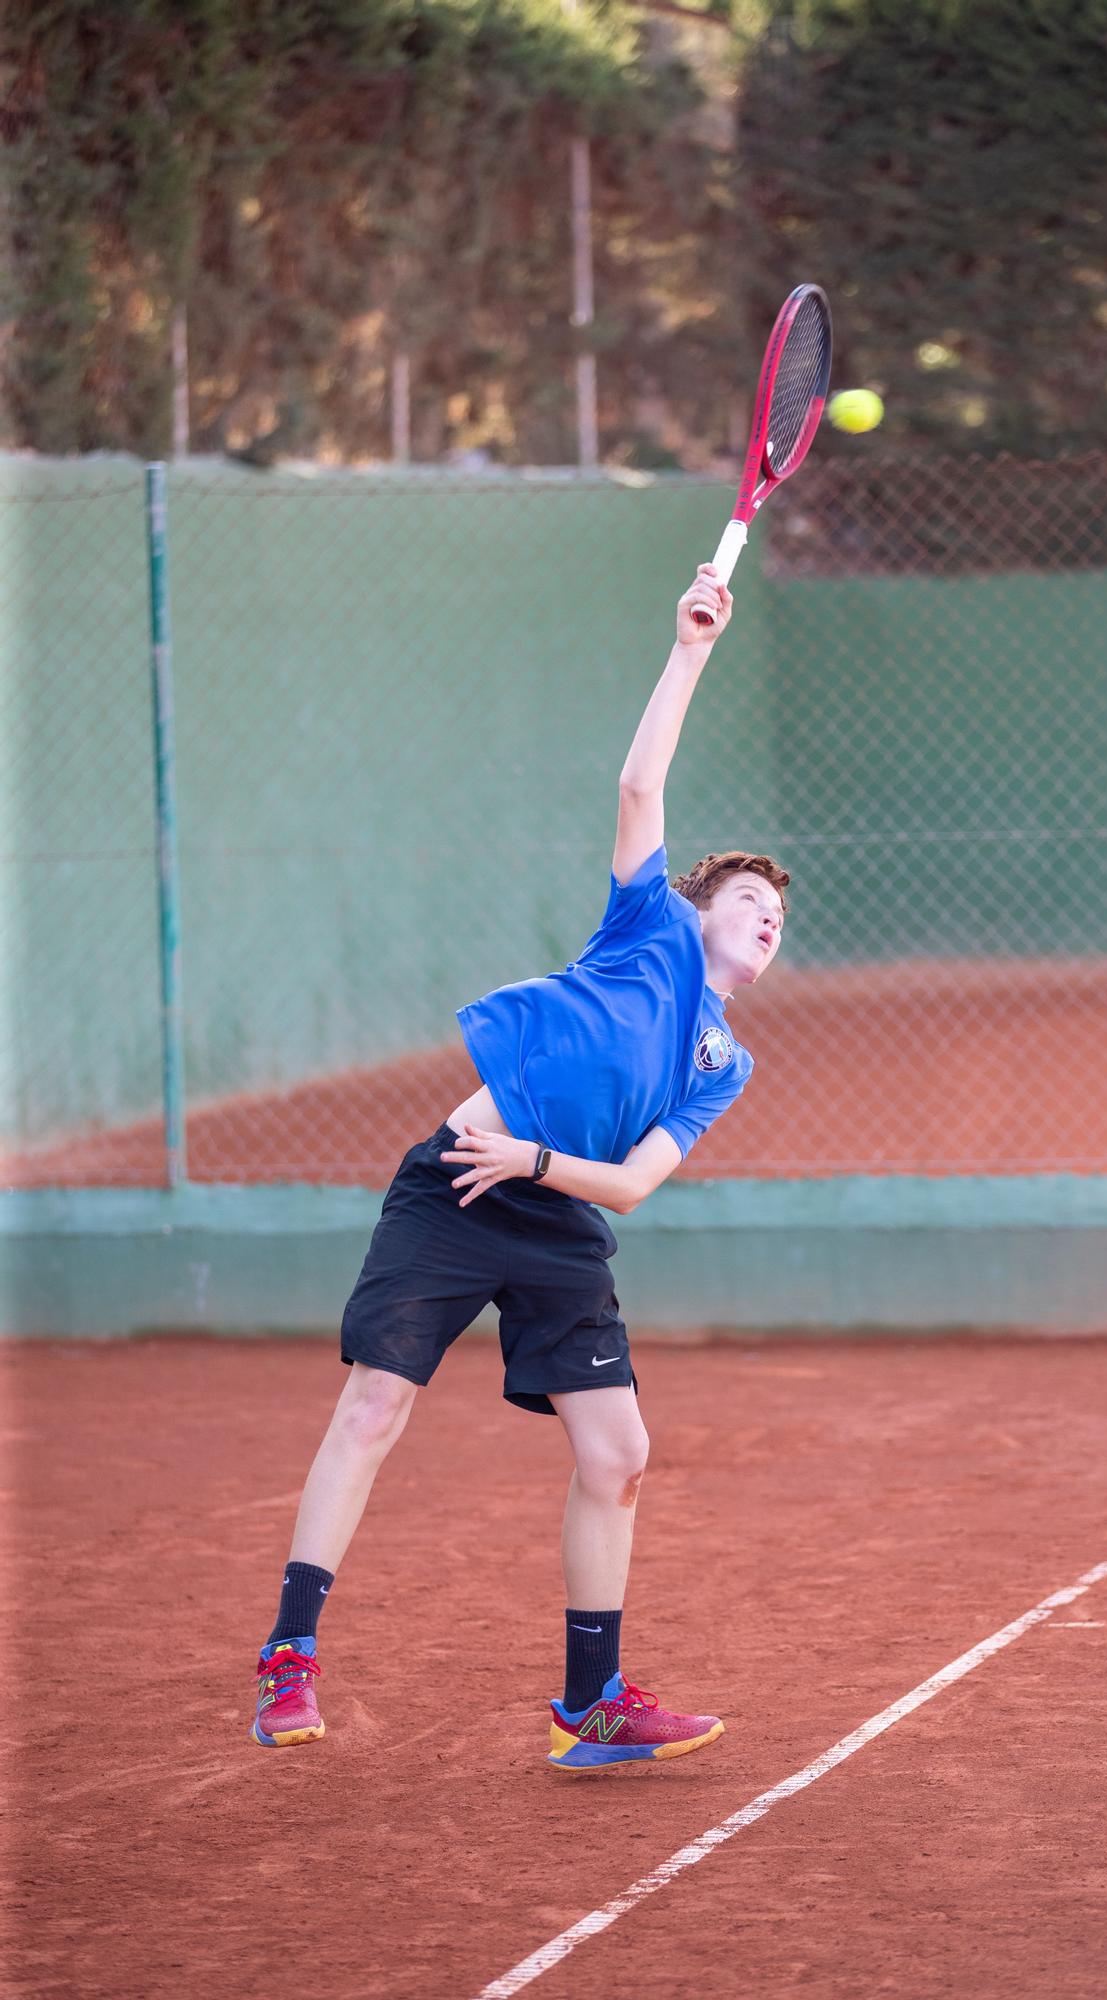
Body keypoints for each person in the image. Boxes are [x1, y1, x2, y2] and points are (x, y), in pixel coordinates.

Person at [251, 564, 790, 1770]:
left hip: (548, 1204)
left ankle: (589, 1703)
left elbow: (633, 1183)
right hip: (456, 1184)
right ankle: (290, 1653)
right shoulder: (644, 924)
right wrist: (691, 647)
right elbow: (640, 780)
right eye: (748, 896)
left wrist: (541, 1155)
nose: (765, 917)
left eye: (778, 916)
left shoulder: (724, 1060)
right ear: (697, 905)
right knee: (377, 1402)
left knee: (620, 1454)